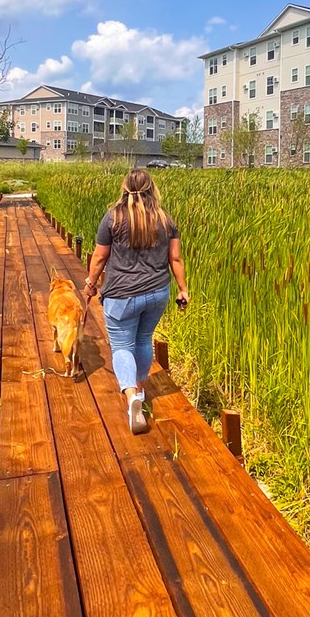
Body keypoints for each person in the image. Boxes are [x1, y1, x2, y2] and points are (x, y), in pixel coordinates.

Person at [84, 169, 189, 434]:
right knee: (143, 340)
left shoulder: (113, 218)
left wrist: (90, 285)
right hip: (157, 293)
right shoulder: (166, 220)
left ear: (124, 187)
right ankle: (140, 391)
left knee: (121, 345)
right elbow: (175, 259)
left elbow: (99, 258)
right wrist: (183, 289)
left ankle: (131, 396)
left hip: (121, 295)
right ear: (152, 188)